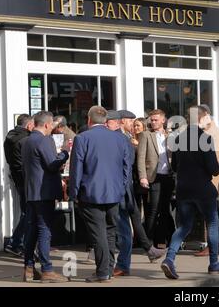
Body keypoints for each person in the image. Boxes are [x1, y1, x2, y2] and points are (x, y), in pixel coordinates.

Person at [161, 106, 219, 279]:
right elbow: (214, 169)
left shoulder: (178, 139)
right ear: (203, 118)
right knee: (212, 223)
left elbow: (175, 166)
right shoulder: (205, 139)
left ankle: (169, 258)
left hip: (184, 188)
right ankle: (214, 263)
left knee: (184, 226)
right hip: (203, 189)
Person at [69, 106, 130, 283]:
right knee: (110, 231)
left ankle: (103, 271)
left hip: (91, 193)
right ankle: (108, 268)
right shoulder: (120, 138)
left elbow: (76, 168)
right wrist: (122, 187)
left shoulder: (82, 138)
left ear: (89, 120)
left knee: (99, 233)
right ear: (104, 120)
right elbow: (126, 166)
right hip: (114, 192)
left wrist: (73, 193)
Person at [108, 110, 166, 277]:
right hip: (125, 188)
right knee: (126, 225)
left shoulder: (124, 138)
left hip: (122, 189)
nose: (132, 125)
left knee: (123, 228)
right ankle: (146, 250)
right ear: (122, 121)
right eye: (130, 122)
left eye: (134, 123)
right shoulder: (123, 138)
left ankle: (122, 264)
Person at [22, 111, 69, 283]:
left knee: (33, 230)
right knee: (44, 230)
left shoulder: (27, 140)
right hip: (44, 192)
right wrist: (64, 153)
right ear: (48, 124)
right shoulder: (43, 140)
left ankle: (28, 267)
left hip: (32, 192)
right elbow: (51, 164)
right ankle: (47, 269)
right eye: (52, 126)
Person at [137, 109, 175, 247]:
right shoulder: (146, 135)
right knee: (153, 209)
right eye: (151, 120)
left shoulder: (170, 135)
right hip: (154, 176)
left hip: (168, 176)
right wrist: (143, 177)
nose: (153, 122)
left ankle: (161, 239)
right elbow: (140, 158)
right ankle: (149, 241)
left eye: (155, 120)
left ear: (163, 121)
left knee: (165, 209)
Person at [193, 104, 219, 257]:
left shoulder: (210, 132)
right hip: (210, 178)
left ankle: (213, 247)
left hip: (210, 178)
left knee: (211, 215)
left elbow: (212, 159)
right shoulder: (211, 130)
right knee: (211, 214)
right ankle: (213, 246)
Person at [3, 114, 34, 257]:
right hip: (26, 178)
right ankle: (17, 243)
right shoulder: (26, 139)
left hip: (17, 178)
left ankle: (16, 243)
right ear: (28, 125)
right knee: (28, 213)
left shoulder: (9, 137)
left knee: (25, 212)